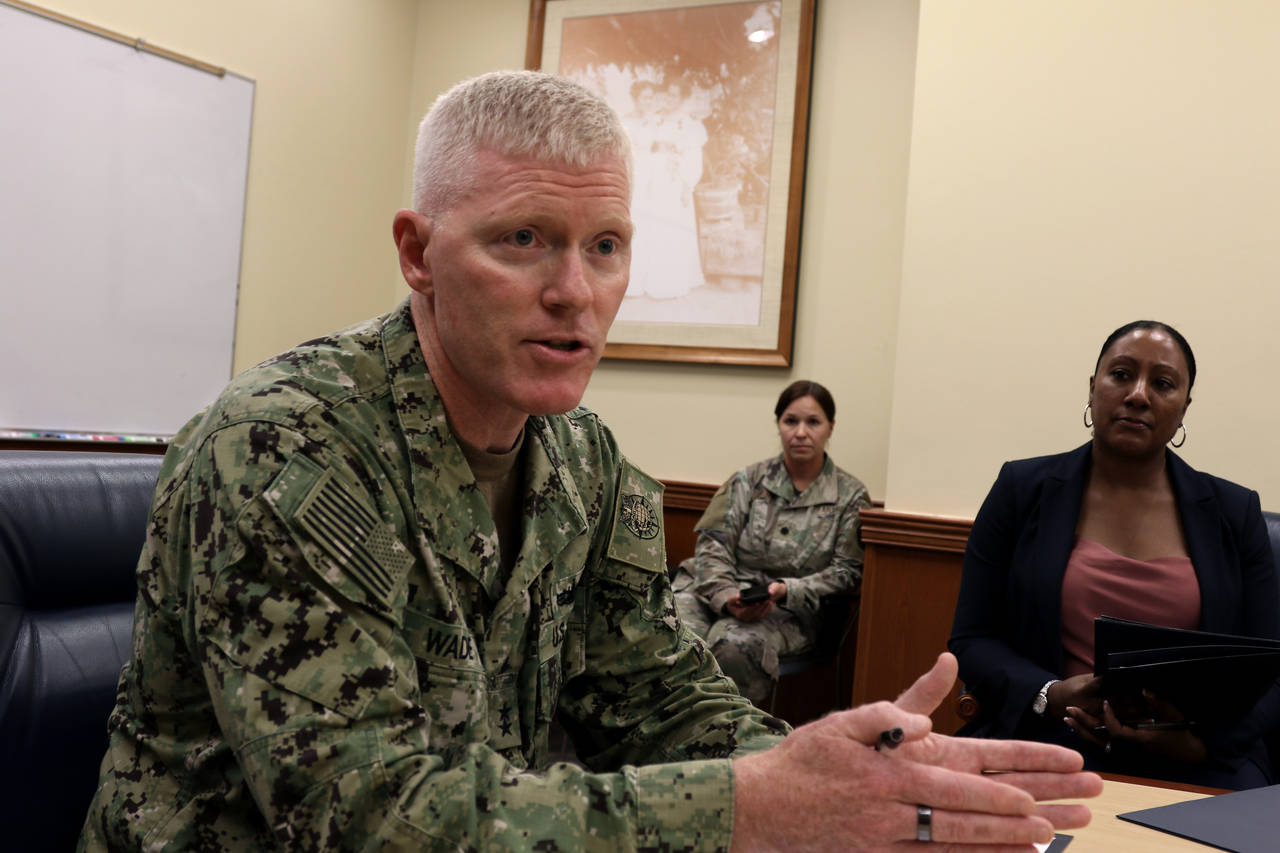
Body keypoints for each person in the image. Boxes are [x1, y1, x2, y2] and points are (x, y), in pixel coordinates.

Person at [81, 70, 1099, 850]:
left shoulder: (583, 454)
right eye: (522, 239)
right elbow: (368, 815)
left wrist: (834, 772)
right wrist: (751, 805)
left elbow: (649, 687)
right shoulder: (278, 449)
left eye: (604, 246)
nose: (574, 290)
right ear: (416, 251)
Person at [950, 320, 1280, 789]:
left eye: (1162, 383)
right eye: (1121, 375)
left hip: (1198, 755)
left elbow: (1272, 668)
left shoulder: (1233, 512)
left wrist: (1197, 742)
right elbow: (972, 636)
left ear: (1184, 408)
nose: (1138, 394)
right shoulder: (1021, 491)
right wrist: (1052, 694)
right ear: (1092, 388)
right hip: (1050, 740)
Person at [673, 380, 871, 705]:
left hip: (790, 613)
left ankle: (729, 742)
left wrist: (785, 590)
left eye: (813, 422)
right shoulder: (748, 481)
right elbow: (712, 546)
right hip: (716, 591)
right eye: (790, 421)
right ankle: (660, 739)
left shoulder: (850, 496)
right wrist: (726, 596)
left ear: (830, 428)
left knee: (735, 644)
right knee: (671, 630)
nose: (801, 432)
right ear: (778, 424)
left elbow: (847, 572)